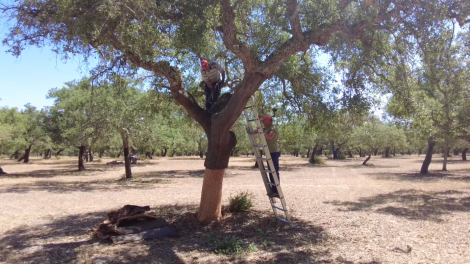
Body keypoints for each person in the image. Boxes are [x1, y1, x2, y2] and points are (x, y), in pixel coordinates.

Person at [251, 115, 280, 197]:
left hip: (273, 152)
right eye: (262, 121)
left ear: (269, 120)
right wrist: (255, 131)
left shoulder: (272, 128)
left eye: (264, 120)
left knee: (274, 171)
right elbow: (259, 131)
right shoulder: (266, 128)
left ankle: (276, 191)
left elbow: (270, 137)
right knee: (271, 171)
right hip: (268, 152)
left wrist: (260, 133)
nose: (263, 122)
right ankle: (273, 190)